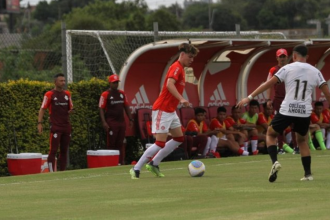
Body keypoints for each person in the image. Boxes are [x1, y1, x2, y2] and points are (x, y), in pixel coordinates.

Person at [237, 44, 330, 182]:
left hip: (288, 109)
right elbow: (326, 92)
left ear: (293, 56)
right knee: (302, 141)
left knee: (270, 133)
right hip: (304, 111)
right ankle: (308, 174)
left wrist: (249, 97)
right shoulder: (315, 71)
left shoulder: (287, 68)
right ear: (307, 57)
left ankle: (275, 162)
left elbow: (268, 84)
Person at [130, 42, 199, 179]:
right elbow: (169, 84)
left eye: (193, 58)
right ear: (182, 55)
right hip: (162, 108)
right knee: (160, 142)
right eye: (190, 57)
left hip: (170, 110)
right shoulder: (176, 67)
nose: (191, 60)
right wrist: (181, 99)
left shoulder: (181, 70)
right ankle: (136, 168)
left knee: (179, 138)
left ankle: (154, 163)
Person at [37, 73, 74, 172]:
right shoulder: (49, 94)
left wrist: (71, 111)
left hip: (66, 126)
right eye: (61, 81)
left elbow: (71, 108)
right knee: (53, 150)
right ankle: (51, 172)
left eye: (64, 81)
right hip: (56, 126)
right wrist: (39, 123)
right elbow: (42, 109)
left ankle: (62, 171)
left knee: (64, 150)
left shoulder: (67, 94)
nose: (63, 83)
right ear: (55, 82)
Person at [265, 48, 297, 154]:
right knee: (278, 125)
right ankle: (280, 148)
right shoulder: (273, 70)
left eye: (284, 56)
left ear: (287, 57)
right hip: (278, 100)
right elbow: (268, 84)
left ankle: (296, 147)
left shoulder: (292, 68)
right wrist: (269, 99)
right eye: (280, 56)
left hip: (291, 99)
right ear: (277, 58)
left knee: (294, 123)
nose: (282, 58)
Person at [99, 74, 133, 165]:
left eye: (117, 82)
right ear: (110, 83)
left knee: (120, 142)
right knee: (111, 143)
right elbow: (101, 108)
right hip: (111, 122)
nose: (116, 84)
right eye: (114, 83)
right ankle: (111, 162)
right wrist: (104, 122)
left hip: (121, 122)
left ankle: (120, 161)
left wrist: (130, 119)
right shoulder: (105, 94)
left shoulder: (122, 94)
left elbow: (126, 106)